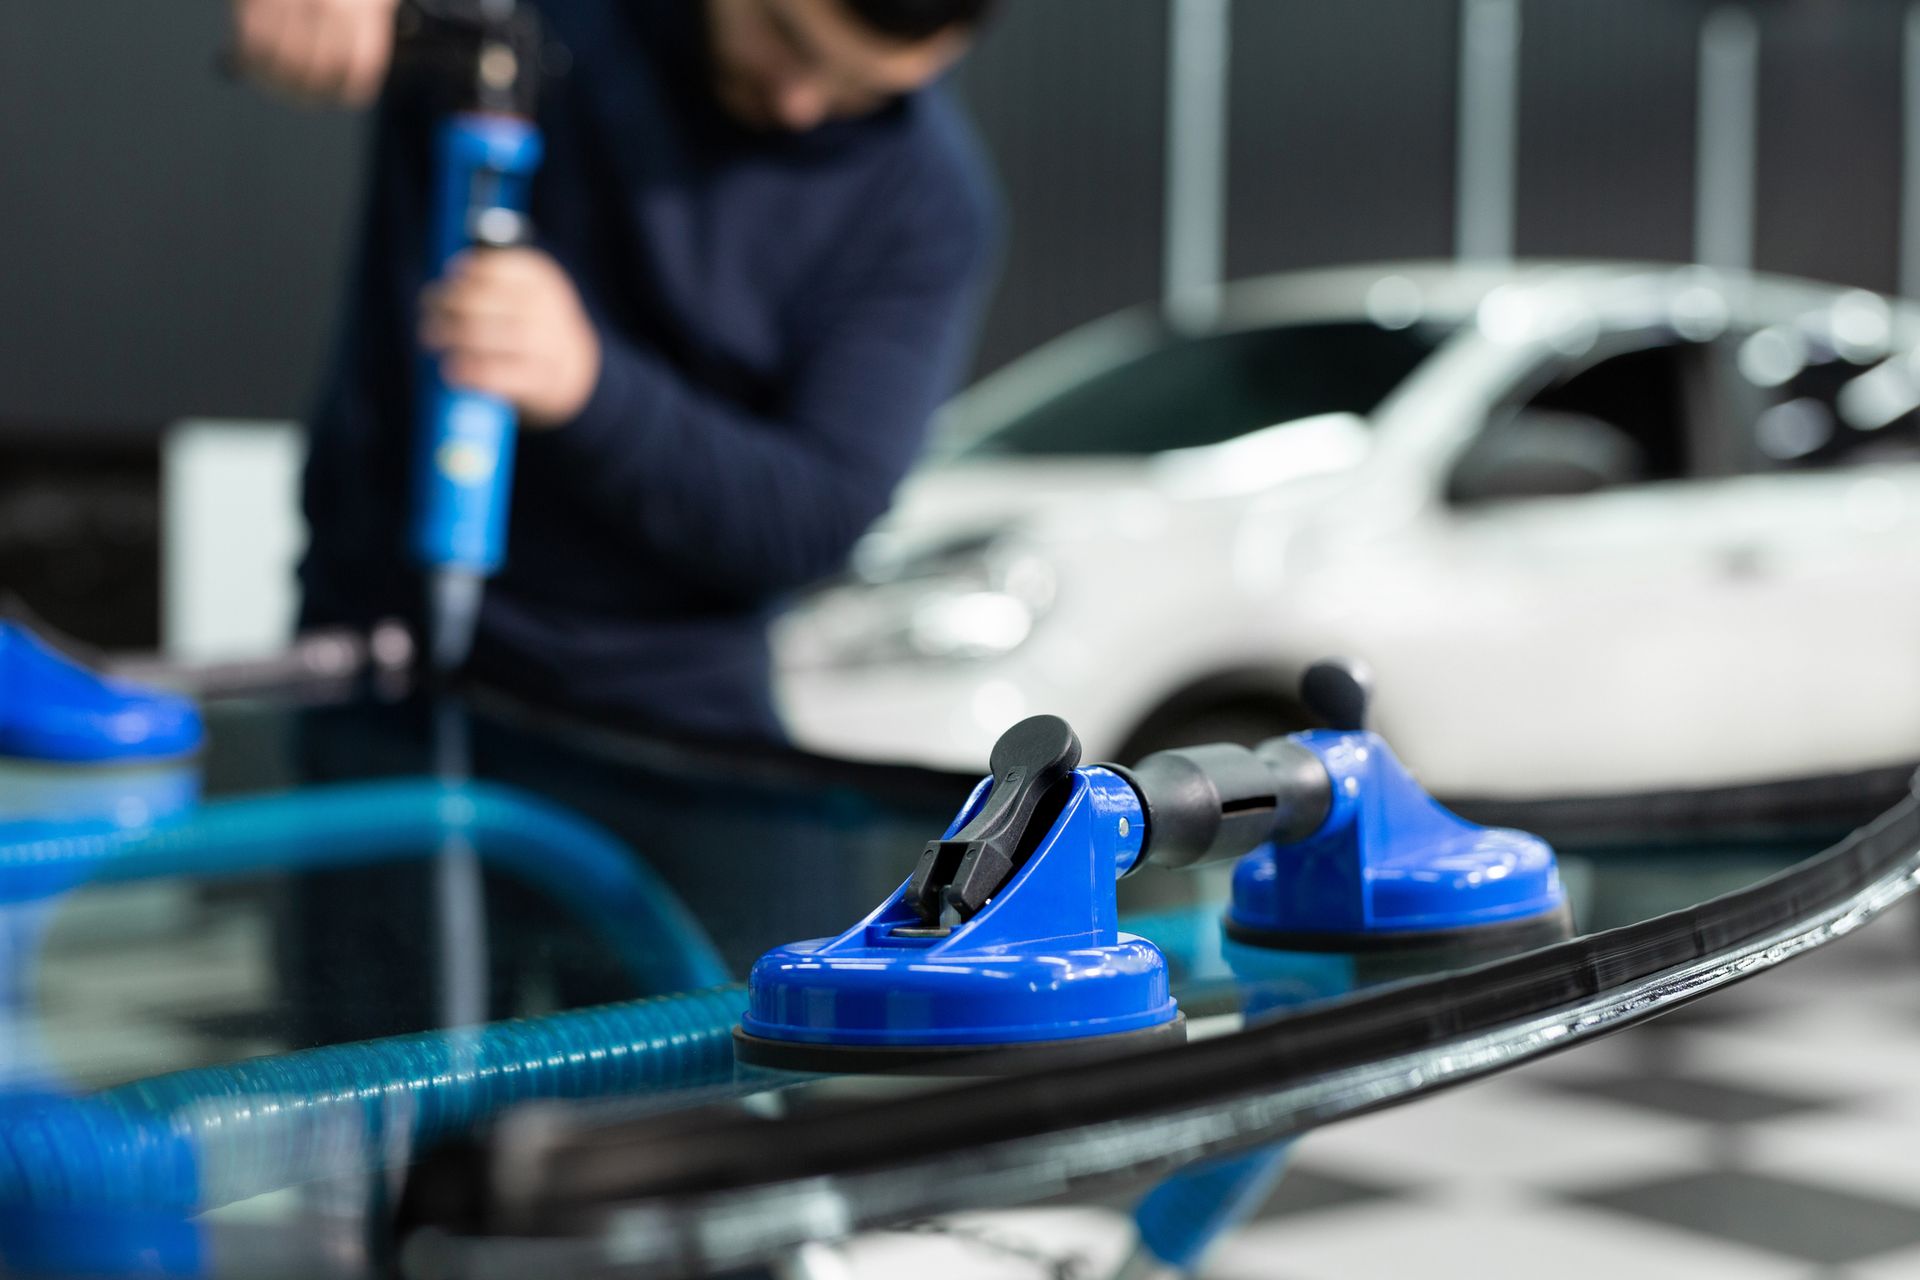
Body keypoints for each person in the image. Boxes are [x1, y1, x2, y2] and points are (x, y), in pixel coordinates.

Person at [231, 0, 999, 741]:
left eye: (864, 90)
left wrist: (593, 388)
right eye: (784, 35)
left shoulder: (925, 204)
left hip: (673, 704)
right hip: (382, 660)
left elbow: (816, 512)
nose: (801, 102)